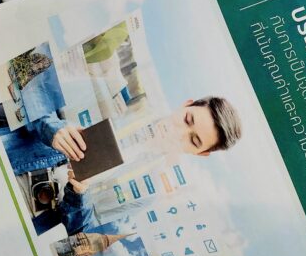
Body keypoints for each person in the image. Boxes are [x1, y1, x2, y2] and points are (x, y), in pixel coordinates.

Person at [16, 96, 243, 235]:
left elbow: (81, 232)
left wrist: (79, 193)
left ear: (200, 153)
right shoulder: (116, 98)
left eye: (193, 140)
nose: (178, 132)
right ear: (186, 104)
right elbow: (33, 97)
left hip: (24, 216)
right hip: (14, 155)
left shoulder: (148, 191)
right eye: (187, 119)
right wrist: (53, 127)